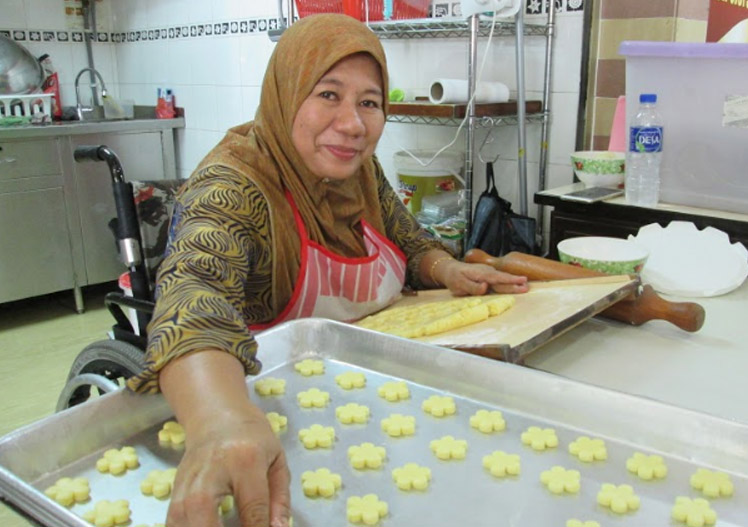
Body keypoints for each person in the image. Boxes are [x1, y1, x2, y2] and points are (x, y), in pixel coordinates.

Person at [126, 13, 529, 527]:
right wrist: (222, 420)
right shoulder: (233, 186)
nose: (353, 124)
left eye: (369, 102)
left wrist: (446, 268)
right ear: (287, 91)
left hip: (376, 413)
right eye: (328, 94)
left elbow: (406, 239)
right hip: (271, 429)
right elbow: (193, 296)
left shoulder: (360, 171)